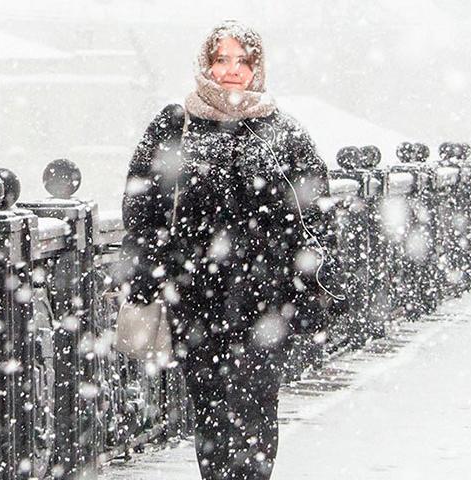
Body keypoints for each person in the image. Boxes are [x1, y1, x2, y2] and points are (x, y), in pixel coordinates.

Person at [121, 20, 337, 480]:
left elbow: (315, 211)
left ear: (257, 66)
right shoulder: (174, 125)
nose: (232, 71)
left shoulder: (281, 130)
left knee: (258, 402)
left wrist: (313, 277)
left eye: (243, 61)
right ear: (206, 64)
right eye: (222, 60)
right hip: (196, 296)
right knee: (211, 405)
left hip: (266, 299)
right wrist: (145, 280)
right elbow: (143, 209)